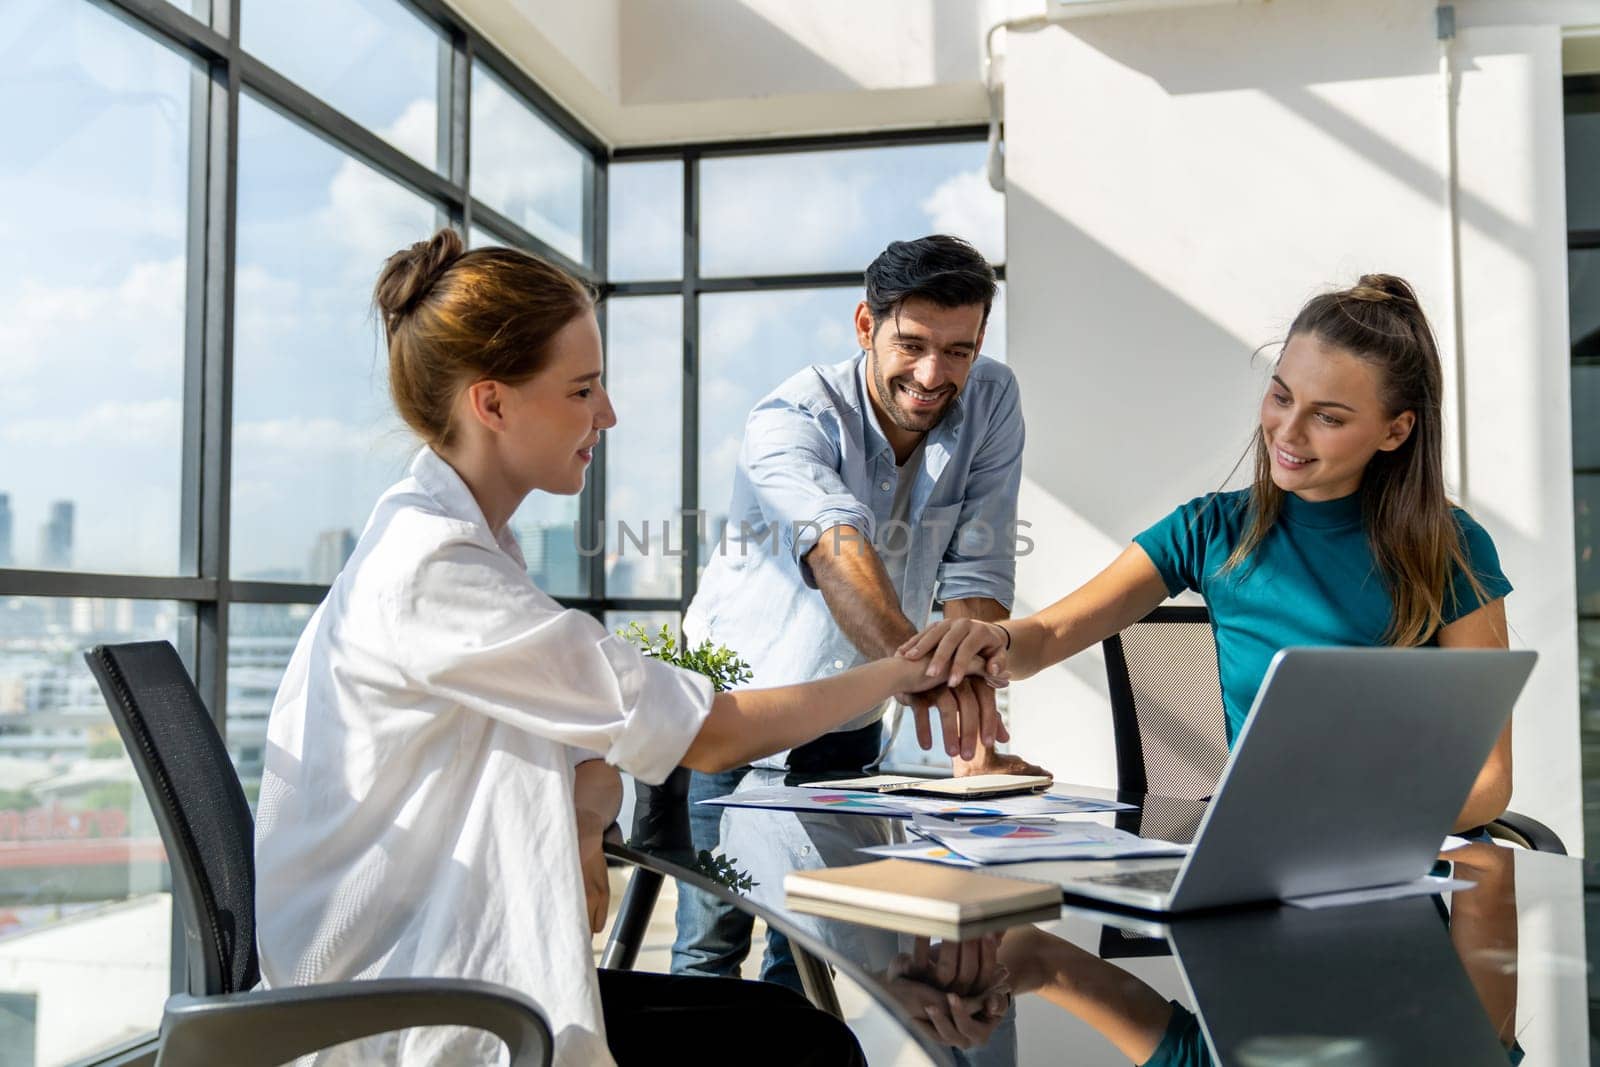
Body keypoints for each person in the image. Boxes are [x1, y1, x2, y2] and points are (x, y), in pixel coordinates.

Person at [252, 228, 985, 1067]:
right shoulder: (434, 571)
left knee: (798, 1028)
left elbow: (590, 744)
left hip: (447, 968)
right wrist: (905, 667)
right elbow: (703, 729)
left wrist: (578, 817)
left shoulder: (462, 544)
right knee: (808, 1047)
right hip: (412, 1007)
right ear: (492, 403)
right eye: (582, 388)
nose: (607, 413)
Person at [902, 273, 1514, 833]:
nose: (1288, 432)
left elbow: (1488, 783)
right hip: (1259, 861)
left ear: (1395, 430)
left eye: (1326, 417)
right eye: (1281, 396)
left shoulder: (1450, 549)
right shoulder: (1211, 529)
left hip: (1400, 861)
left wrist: (1365, 832)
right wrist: (995, 642)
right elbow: (1050, 633)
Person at [670, 234, 1047, 987]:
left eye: (959, 350)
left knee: (817, 949)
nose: (934, 374)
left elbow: (975, 573)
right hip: (737, 708)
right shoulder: (788, 419)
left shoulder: (992, 399)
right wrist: (921, 672)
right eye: (912, 344)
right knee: (712, 941)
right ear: (865, 325)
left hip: (847, 719)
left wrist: (968, 727)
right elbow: (838, 551)